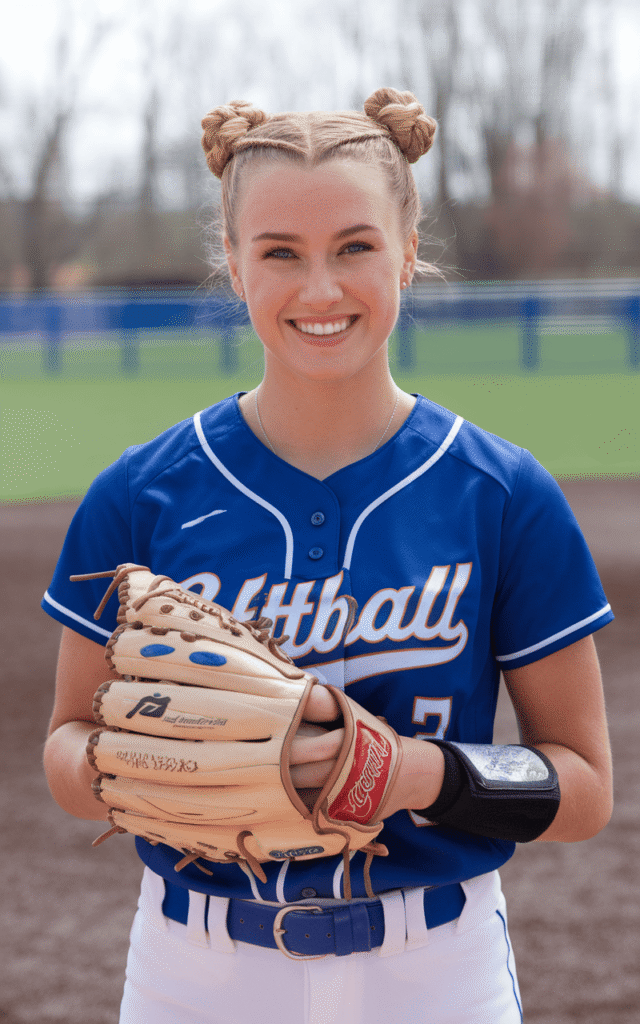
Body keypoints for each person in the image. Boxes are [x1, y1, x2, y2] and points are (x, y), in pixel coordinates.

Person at [42, 88, 614, 1024]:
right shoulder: (139, 493)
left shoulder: (501, 493)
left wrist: (414, 774)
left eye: (355, 247)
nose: (320, 290)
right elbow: (66, 747)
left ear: (408, 249)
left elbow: (584, 789)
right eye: (279, 253)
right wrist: (152, 762)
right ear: (232, 263)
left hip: (436, 971)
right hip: (198, 969)